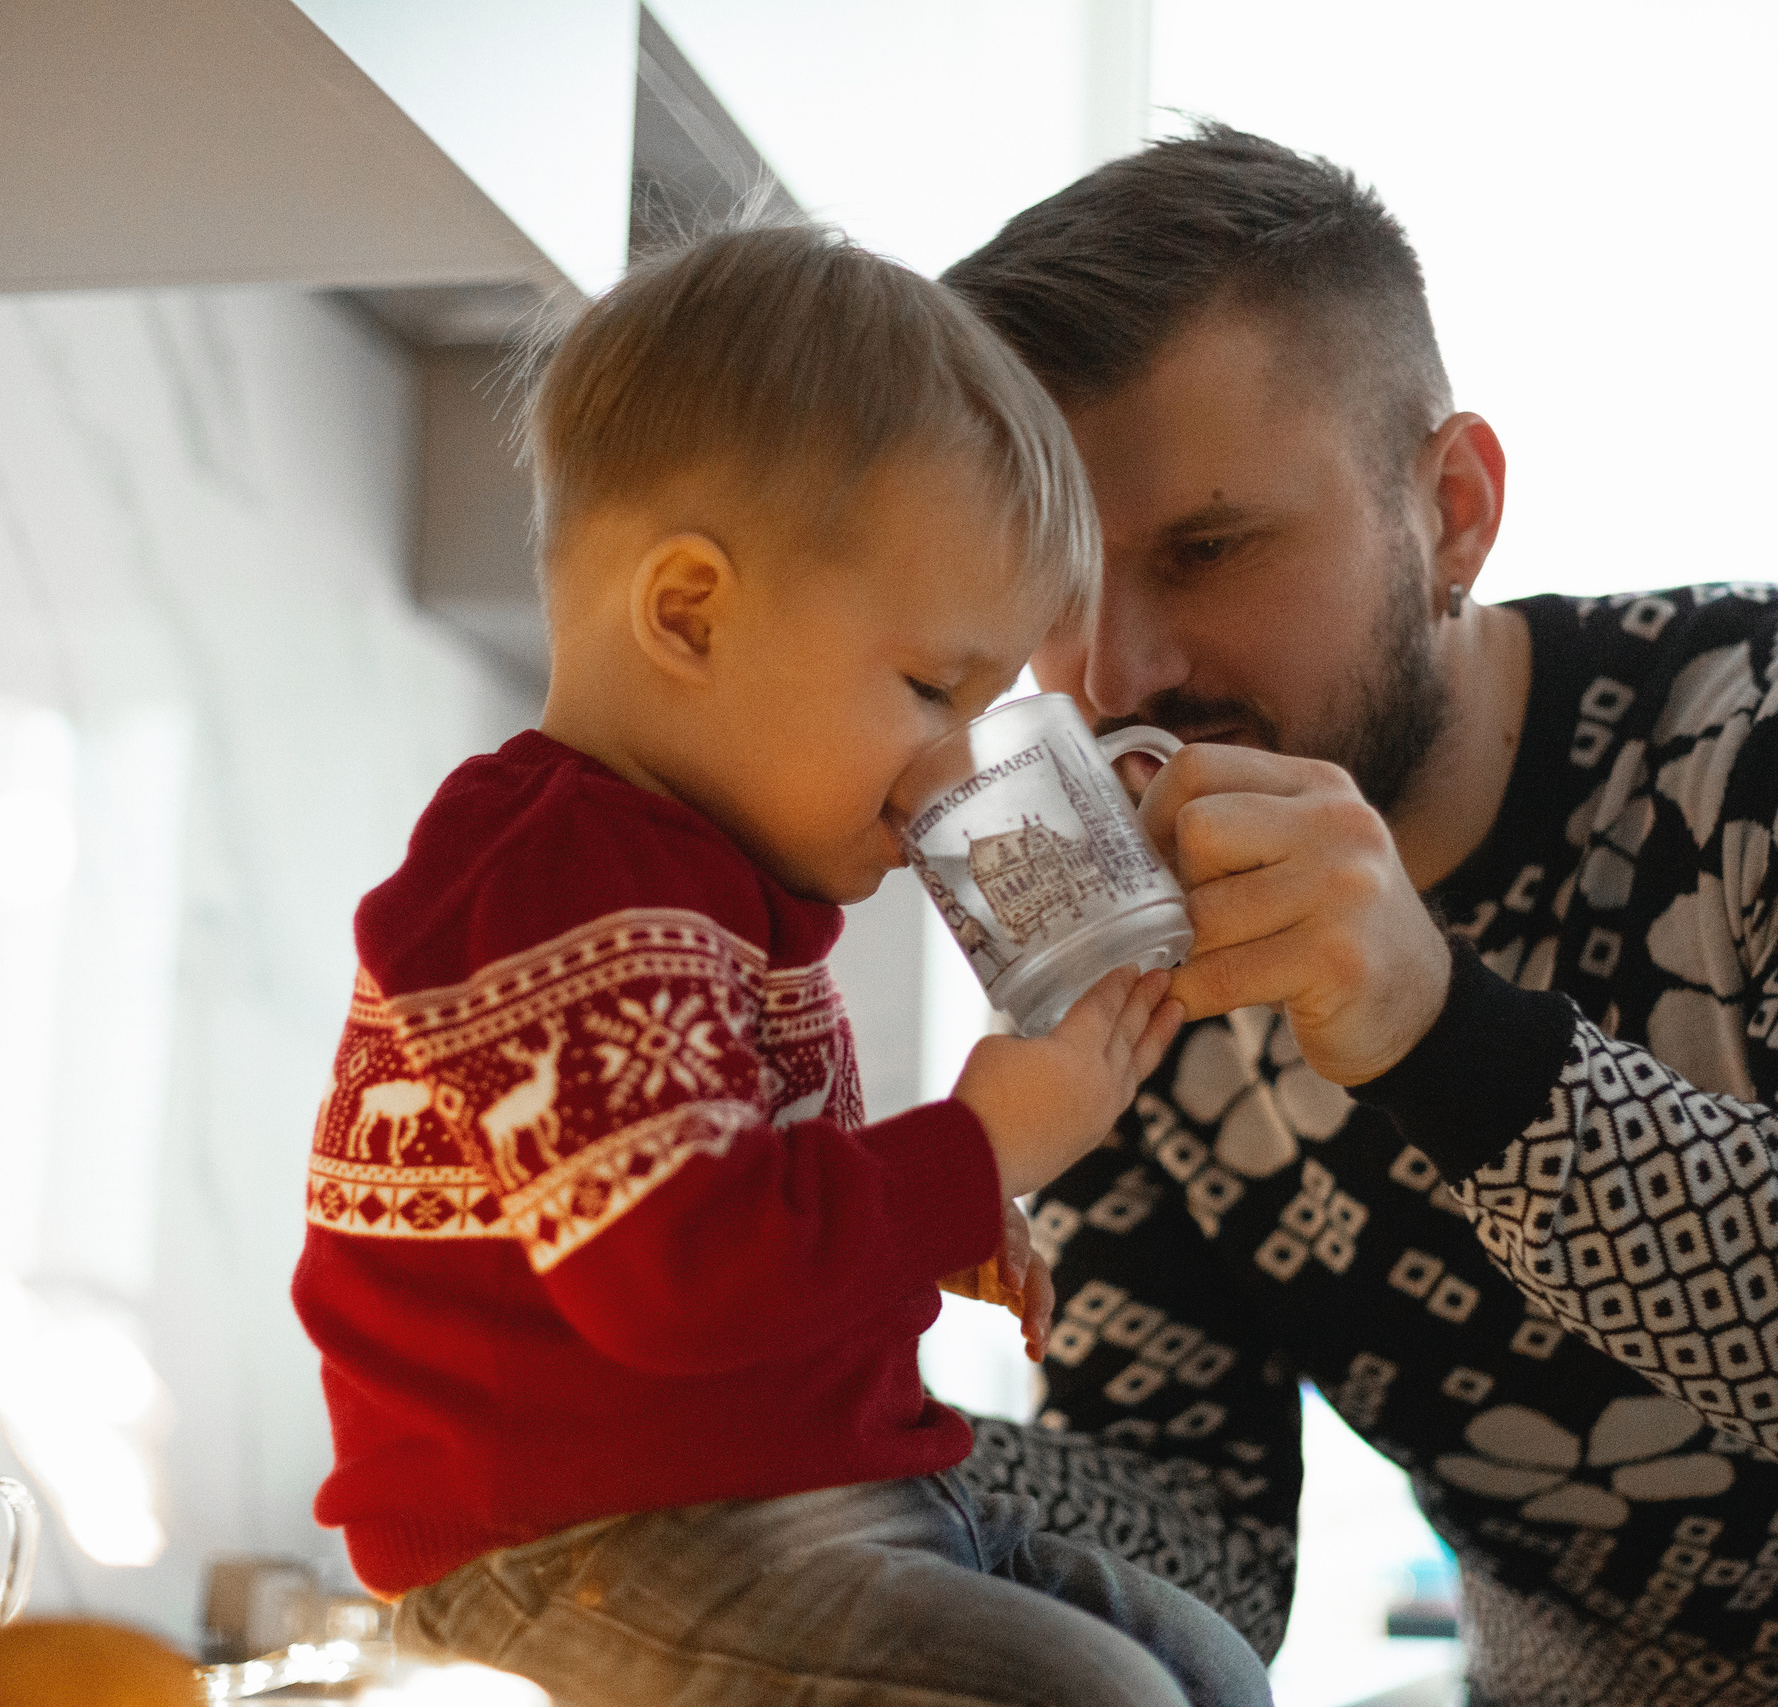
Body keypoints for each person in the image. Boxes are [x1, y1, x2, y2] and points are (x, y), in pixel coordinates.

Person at [939, 125, 1778, 1707]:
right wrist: (816, 1427)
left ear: (1455, 510)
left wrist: (1443, 1039)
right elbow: (1201, 1545)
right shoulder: (1132, 927)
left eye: (1208, 548)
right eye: (1054, 586)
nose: (1112, 675)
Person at [291, 223, 1270, 1707]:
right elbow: (683, 1276)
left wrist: (928, 1218)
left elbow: (729, 1211)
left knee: (1203, 1665)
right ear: (690, 613)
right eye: (932, 688)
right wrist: (977, 1148)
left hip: (797, 1513)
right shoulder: (561, 878)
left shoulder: (703, 890)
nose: (961, 768)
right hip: (579, 1550)